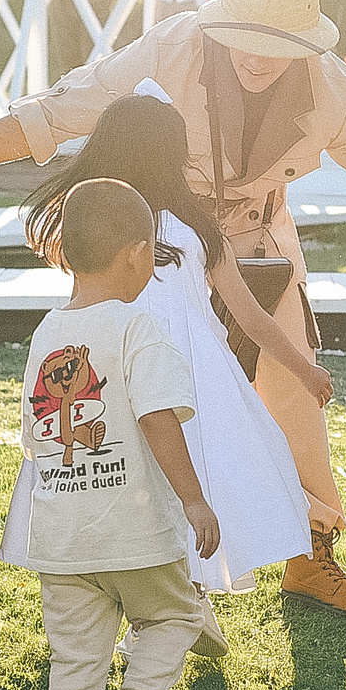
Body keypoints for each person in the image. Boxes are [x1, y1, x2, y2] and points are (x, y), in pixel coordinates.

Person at [0, 0, 346, 616]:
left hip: (258, 242)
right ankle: (128, 559)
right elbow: (62, 110)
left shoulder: (331, 87)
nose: (255, 57)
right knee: (133, 401)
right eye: (243, 38)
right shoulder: (172, 45)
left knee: (294, 400)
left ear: (305, 45)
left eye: (275, 46)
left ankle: (311, 557)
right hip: (158, 246)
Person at [23, 89, 313, 597]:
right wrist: (304, 368)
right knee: (185, 468)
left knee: (135, 470)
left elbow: (246, 315)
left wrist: (303, 369)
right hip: (188, 375)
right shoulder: (187, 227)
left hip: (133, 366)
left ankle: (173, 594)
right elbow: (250, 316)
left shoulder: (103, 222)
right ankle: (177, 591)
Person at [2, 178, 221, 690]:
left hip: (63, 535)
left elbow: (35, 436)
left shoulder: (46, 334)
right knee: (177, 616)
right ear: (136, 252)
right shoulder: (138, 327)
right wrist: (194, 500)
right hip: (132, 529)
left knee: (75, 660)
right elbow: (158, 415)